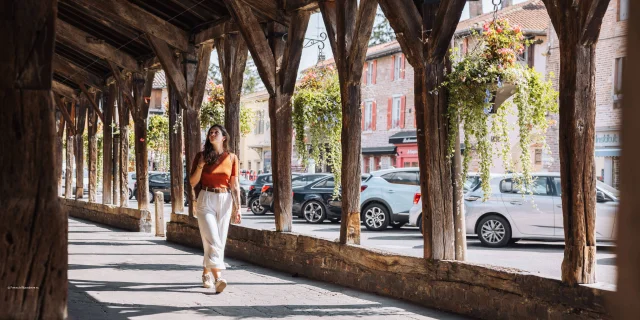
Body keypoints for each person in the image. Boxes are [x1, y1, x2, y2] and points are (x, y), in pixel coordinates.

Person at [189, 124, 242, 293]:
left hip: (225, 199)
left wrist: (238, 207)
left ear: (223, 137)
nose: (212, 134)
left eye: (216, 133)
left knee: (219, 239)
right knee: (213, 239)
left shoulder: (232, 158)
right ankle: (218, 279)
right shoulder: (201, 156)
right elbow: (192, 182)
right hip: (206, 198)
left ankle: (206, 273)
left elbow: (235, 185)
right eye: (210, 133)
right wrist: (200, 165)